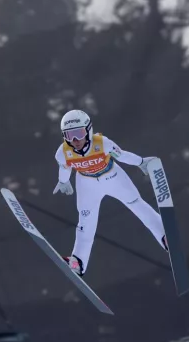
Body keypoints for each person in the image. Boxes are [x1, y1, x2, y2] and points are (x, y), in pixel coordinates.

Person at [53, 109, 168, 277]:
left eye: (79, 133)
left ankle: (165, 236)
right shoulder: (63, 153)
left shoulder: (102, 143)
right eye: (70, 135)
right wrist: (63, 181)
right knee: (85, 221)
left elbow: (122, 156)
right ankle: (78, 261)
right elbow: (64, 168)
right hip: (87, 183)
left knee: (136, 204)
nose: (75, 140)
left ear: (88, 130)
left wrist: (140, 162)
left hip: (113, 177)